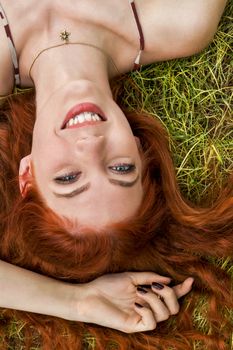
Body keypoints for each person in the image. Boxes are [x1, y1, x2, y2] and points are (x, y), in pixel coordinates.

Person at [0, 0, 232, 349]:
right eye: (121, 169)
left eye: (68, 178)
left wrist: (77, 302)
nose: (91, 145)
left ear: (27, 174)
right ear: (139, 149)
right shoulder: (180, 21)